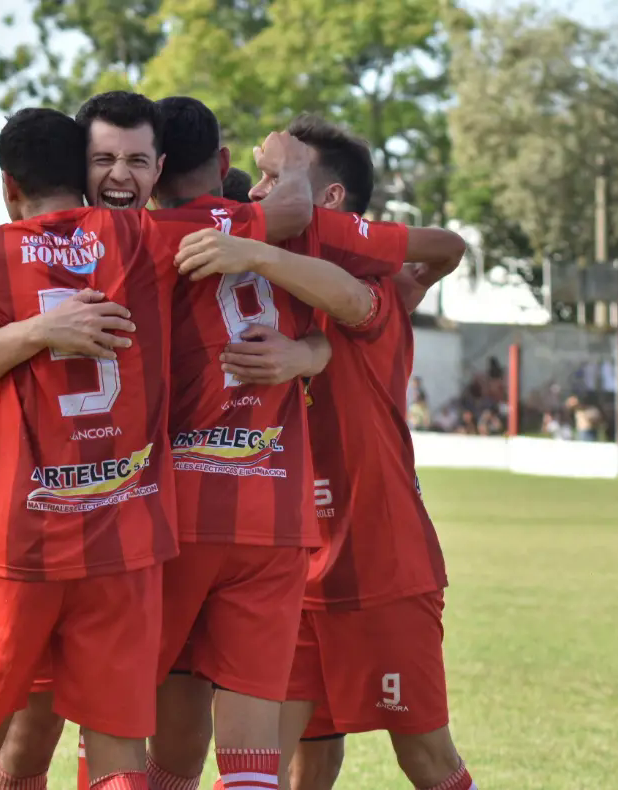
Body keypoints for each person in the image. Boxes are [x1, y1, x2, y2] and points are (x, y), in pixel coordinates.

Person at [0, 100, 315, 790]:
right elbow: (290, 212)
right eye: (107, 161)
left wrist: (36, 331)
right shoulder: (144, 237)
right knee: (118, 751)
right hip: (125, 544)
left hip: (20, 539)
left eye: (135, 161)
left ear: (8, 187)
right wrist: (281, 170)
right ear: (81, 170)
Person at [144, 96, 405, 790]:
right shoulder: (298, 237)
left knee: (136, 727)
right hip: (272, 520)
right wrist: (310, 351)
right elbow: (381, 282)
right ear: (225, 166)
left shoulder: (141, 236)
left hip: (175, 514)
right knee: (254, 754)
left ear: (151, 167)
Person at [251, 113, 476, 790]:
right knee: (291, 762)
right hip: (291, 567)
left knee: (426, 759)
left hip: (379, 566)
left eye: (275, 177)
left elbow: (448, 247)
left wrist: (308, 242)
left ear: (330, 201)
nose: (257, 193)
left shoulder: (379, 288)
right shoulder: (267, 287)